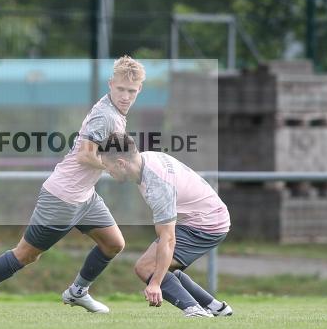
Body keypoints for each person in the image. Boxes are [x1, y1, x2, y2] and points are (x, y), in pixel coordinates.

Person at [0, 56, 146, 315]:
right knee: (26, 255)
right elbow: (85, 155)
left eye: (131, 91)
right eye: (120, 89)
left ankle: (78, 292)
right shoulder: (105, 116)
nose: (125, 95)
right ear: (111, 84)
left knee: (113, 243)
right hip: (62, 197)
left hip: (85, 197)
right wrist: (112, 167)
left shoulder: (117, 113)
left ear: (139, 90)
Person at [98, 133, 232, 318]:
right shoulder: (146, 159)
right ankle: (216, 307)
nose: (107, 172)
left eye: (107, 166)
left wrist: (155, 283)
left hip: (207, 223)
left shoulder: (157, 185)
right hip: (207, 217)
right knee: (160, 265)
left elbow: (168, 239)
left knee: (147, 268)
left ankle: (195, 311)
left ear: (121, 163)